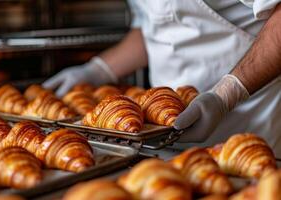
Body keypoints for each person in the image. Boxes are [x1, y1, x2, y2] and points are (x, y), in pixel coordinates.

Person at [43, 1, 281, 157]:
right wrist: (98, 69)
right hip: (162, 136)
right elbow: (158, 26)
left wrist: (226, 95)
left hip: (252, 125)